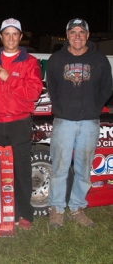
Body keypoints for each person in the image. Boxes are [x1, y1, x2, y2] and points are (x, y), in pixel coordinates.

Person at [46, 18, 112, 229]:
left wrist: (94, 107)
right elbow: (52, 87)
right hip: (63, 121)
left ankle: (77, 208)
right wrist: (61, 109)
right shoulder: (57, 59)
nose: (77, 36)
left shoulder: (100, 60)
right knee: (59, 168)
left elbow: (107, 88)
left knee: (84, 168)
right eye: (73, 32)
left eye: (81, 32)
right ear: (67, 35)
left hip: (89, 122)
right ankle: (56, 209)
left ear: (87, 35)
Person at [0, 18, 43, 230]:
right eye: (6, 34)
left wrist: (10, 78)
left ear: (20, 36)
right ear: (0, 37)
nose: (10, 38)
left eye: (14, 34)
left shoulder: (30, 62)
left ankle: (24, 213)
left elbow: (34, 92)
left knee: (21, 171)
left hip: (19, 124)